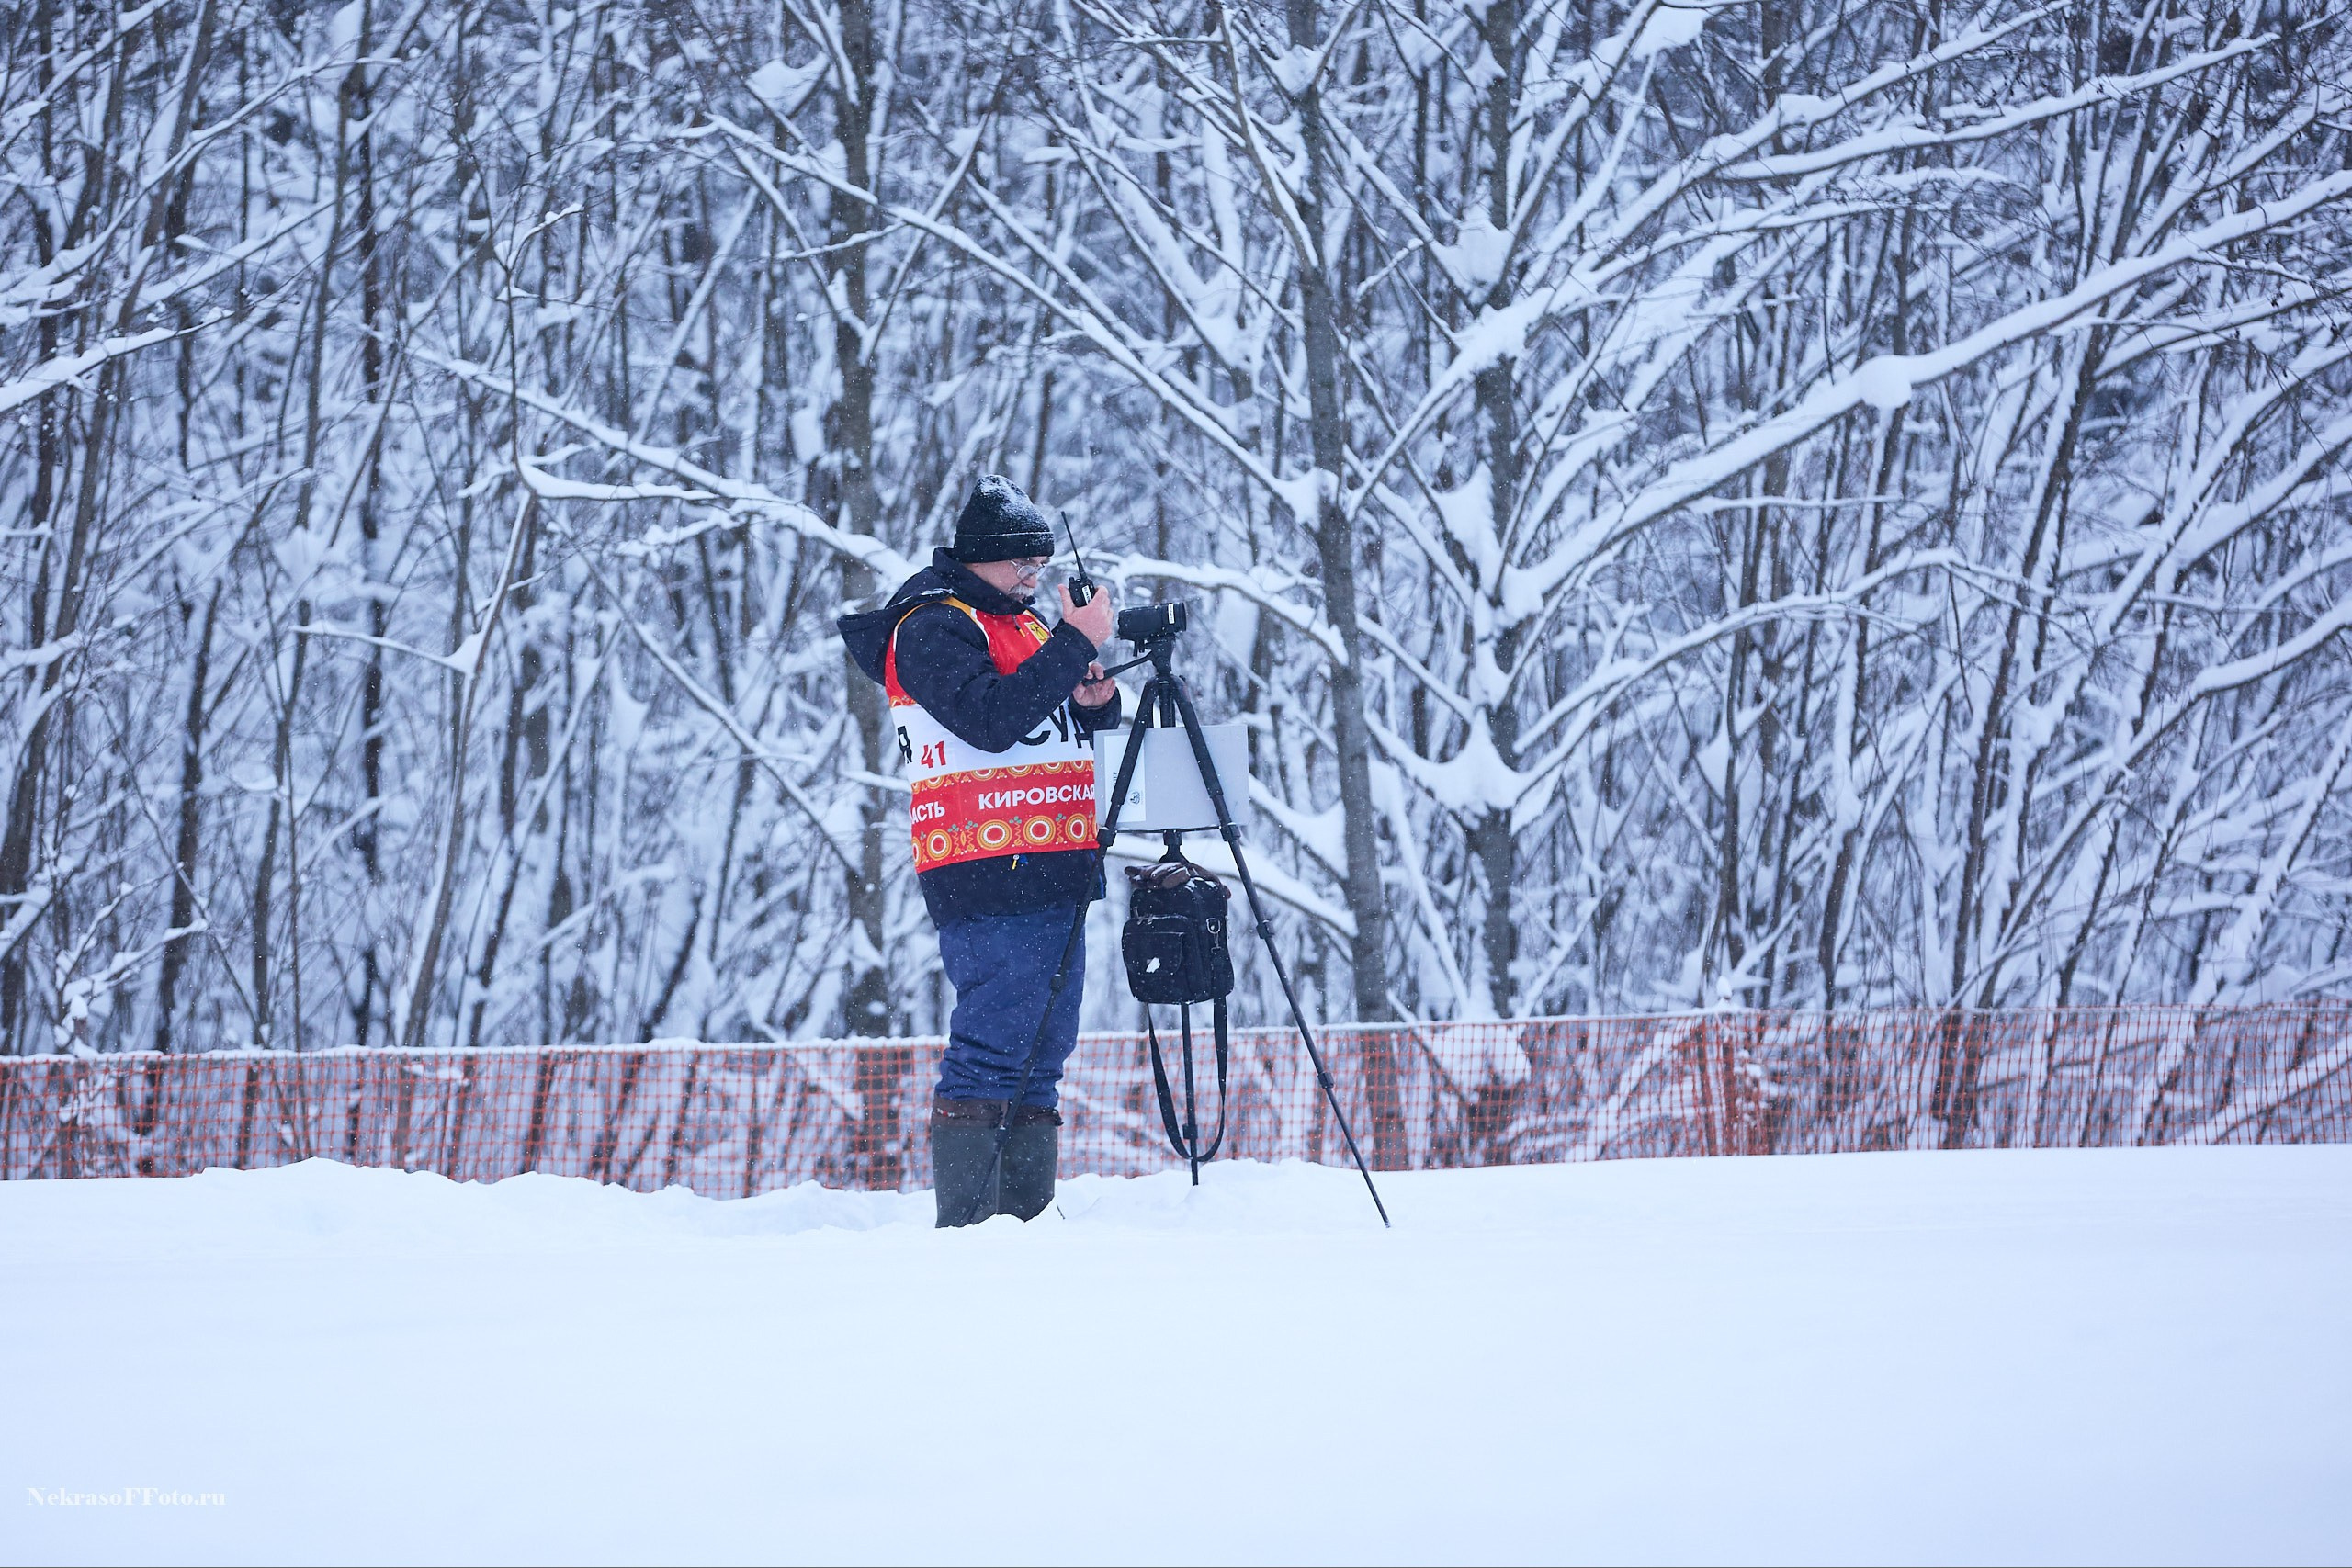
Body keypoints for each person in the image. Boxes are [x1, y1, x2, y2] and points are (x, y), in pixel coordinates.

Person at [837, 475, 1120, 1226]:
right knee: (995, 1046)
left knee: (1043, 1051)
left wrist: (1092, 701)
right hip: (988, 867)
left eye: (1040, 565)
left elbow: (1042, 720)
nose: (1034, 579)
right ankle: (970, 1231)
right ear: (982, 557)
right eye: (1023, 564)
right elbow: (990, 720)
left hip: (1055, 865)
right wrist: (1075, 643)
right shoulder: (932, 626)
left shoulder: (1024, 626)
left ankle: (1023, 1224)